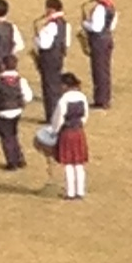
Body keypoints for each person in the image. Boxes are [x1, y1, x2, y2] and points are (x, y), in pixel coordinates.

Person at [51, 75, 92, 203]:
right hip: (78, 131)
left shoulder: (63, 100)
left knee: (68, 164)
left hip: (67, 132)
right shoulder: (82, 97)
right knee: (79, 163)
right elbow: (85, 115)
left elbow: (58, 119)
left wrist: (55, 131)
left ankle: (70, 192)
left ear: (65, 85)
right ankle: (80, 191)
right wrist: (79, 125)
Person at [84, 0, 118, 110]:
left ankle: (100, 99)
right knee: (105, 70)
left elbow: (96, 27)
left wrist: (85, 23)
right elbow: (112, 26)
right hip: (107, 38)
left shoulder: (100, 8)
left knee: (98, 70)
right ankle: (105, 98)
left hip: (99, 40)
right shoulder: (112, 6)